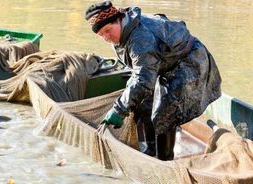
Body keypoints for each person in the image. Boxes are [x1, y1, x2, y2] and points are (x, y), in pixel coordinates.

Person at [85, 1, 222, 161]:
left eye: (108, 30)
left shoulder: (141, 38)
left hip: (190, 61)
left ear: (119, 19)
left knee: (163, 115)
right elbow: (140, 71)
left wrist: (119, 109)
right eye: (101, 35)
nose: (107, 37)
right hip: (163, 63)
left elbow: (143, 80)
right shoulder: (122, 32)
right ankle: (151, 150)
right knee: (143, 105)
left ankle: (164, 160)